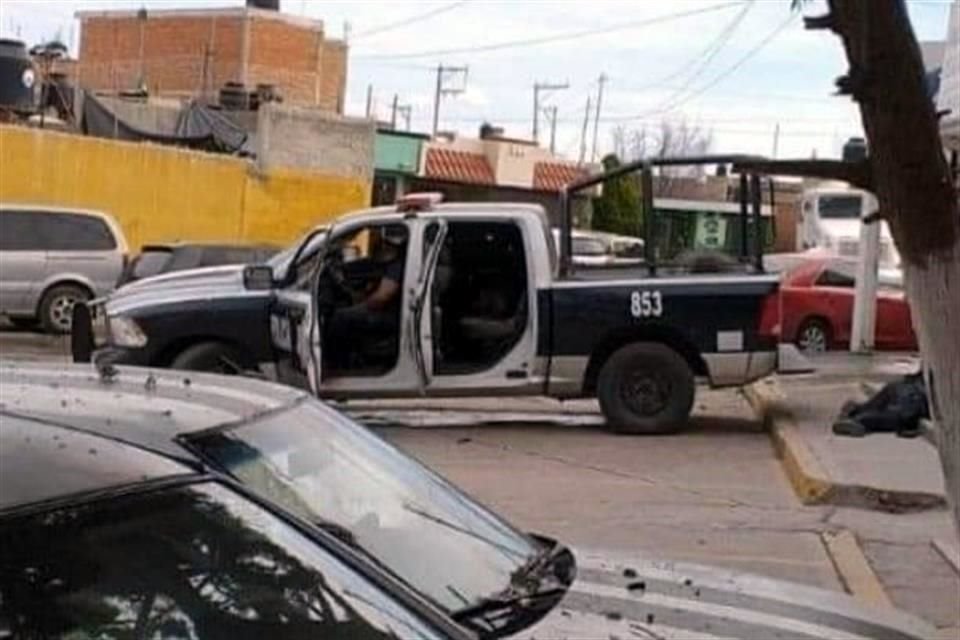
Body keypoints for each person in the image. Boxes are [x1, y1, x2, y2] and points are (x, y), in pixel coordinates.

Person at [324, 227, 406, 371]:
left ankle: (337, 366)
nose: (380, 248)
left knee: (340, 318)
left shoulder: (398, 264)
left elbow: (381, 298)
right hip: (394, 312)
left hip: (393, 316)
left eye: (384, 245)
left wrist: (360, 304)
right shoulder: (392, 263)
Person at [832, 368, 930, 438]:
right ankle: (859, 419)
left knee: (890, 395)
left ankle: (856, 412)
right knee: (902, 413)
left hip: (910, 388)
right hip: (916, 397)